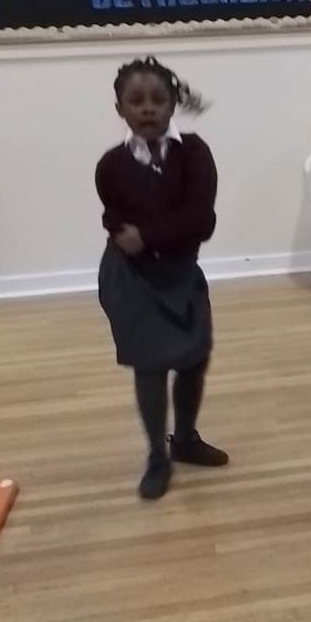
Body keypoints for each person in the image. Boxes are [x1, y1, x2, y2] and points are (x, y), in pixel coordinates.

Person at [96, 56, 229, 499]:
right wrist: (136, 236)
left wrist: (148, 236)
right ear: (121, 109)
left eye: (158, 99)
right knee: (150, 365)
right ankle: (157, 455)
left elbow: (201, 220)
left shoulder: (195, 154)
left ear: (173, 105)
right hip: (132, 278)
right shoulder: (110, 165)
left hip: (179, 272)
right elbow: (114, 218)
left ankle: (184, 439)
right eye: (136, 101)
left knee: (194, 358)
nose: (148, 108)